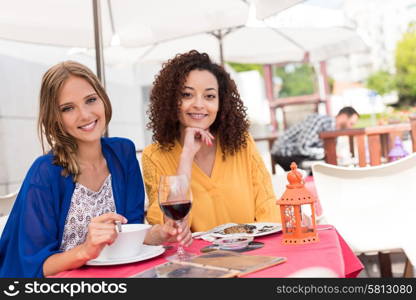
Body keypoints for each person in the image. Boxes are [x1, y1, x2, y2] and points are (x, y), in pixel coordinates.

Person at [0, 61, 191, 278]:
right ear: (55, 117)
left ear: (103, 99)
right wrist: (85, 250)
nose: (85, 114)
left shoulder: (123, 153)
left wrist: (161, 233)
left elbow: (129, 233)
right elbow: (34, 267)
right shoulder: (45, 172)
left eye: (90, 100)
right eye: (68, 108)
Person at [142, 50, 280, 233]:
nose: (199, 104)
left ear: (221, 103)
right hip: (197, 260)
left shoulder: (242, 143)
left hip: (253, 252)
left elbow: (268, 209)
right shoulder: (154, 156)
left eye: (209, 96)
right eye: (187, 95)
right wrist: (186, 157)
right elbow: (170, 229)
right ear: (171, 100)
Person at [271, 106, 360, 171]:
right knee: (323, 168)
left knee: (328, 166)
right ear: (343, 116)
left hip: (299, 155)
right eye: (351, 123)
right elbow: (303, 147)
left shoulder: (334, 130)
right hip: (284, 153)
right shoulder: (320, 121)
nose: (350, 128)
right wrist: (327, 153)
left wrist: (331, 154)